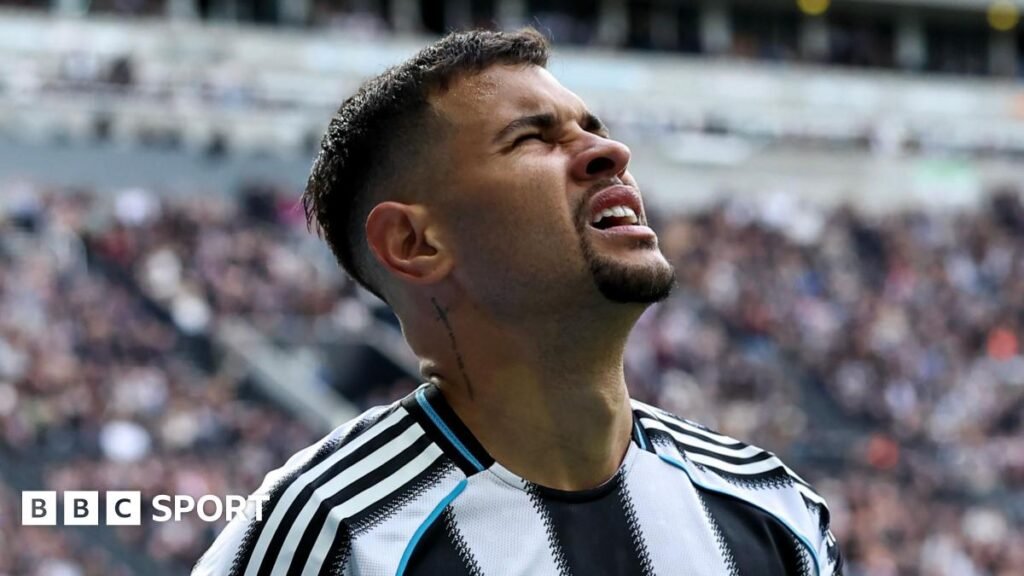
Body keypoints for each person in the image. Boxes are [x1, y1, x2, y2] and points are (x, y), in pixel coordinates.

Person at [193, 28, 842, 576]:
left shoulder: (772, 508)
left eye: (593, 128)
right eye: (534, 138)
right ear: (415, 242)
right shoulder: (327, 539)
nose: (610, 153)